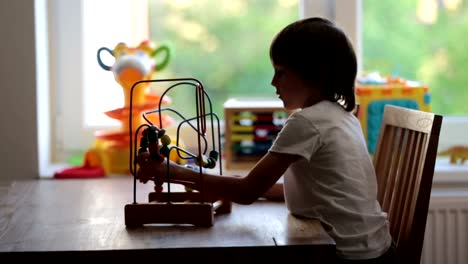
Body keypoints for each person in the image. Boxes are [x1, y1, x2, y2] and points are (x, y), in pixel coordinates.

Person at [137, 17, 395, 263]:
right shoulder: (342, 117)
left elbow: (248, 192)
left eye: (281, 73)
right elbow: (311, 193)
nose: (273, 82)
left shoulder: (306, 122)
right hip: (375, 249)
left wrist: (173, 171)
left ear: (313, 74)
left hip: (345, 255)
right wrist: (227, 184)